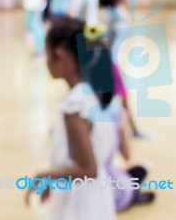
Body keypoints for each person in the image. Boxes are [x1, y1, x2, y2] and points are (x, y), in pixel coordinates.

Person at [26, 17, 117, 220]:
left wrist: (46, 176)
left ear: (60, 55)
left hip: (81, 204)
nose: (46, 61)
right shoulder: (92, 94)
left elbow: (88, 168)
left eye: (47, 54)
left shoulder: (74, 105)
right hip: (97, 196)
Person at [100, 0, 151, 138]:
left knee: (106, 99)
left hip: (112, 60)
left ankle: (132, 129)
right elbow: (101, 40)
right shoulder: (109, 14)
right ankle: (134, 130)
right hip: (108, 62)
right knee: (117, 98)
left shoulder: (118, 11)